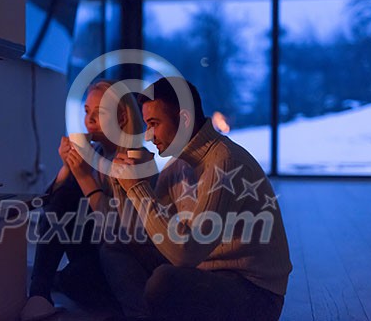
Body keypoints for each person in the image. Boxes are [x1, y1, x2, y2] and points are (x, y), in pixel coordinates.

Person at [105, 76, 293, 321]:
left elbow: (186, 253)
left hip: (255, 293)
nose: (149, 136)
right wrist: (124, 184)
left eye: (154, 123)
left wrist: (139, 188)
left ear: (184, 119)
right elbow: (141, 235)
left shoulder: (225, 162)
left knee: (164, 281)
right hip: (204, 274)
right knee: (116, 247)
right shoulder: (177, 165)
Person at [21, 80, 146, 321]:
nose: (89, 121)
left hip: (123, 258)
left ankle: (55, 280)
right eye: (87, 112)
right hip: (92, 246)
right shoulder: (97, 153)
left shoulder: (136, 160)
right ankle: (39, 292)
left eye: (98, 114)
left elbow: (118, 232)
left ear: (121, 118)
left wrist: (83, 176)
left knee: (74, 278)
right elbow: (51, 204)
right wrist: (68, 167)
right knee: (65, 194)